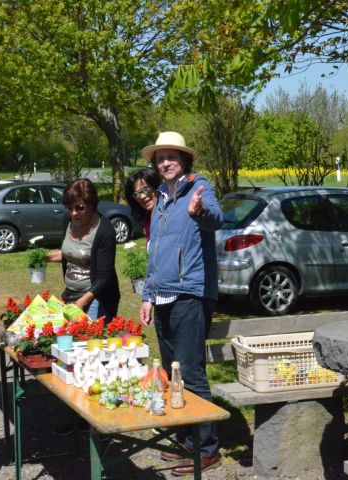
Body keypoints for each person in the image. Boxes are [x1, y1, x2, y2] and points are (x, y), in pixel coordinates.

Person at [139, 131, 223, 475]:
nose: (165, 162)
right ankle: (188, 441)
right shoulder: (161, 197)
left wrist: (200, 211)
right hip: (163, 295)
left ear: (184, 160)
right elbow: (154, 250)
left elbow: (216, 218)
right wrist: (147, 295)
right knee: (174, 373)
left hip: (190, 293)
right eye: (160, 158)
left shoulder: (198, 187)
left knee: (190, 371)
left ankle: (207, 447)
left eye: (171, 156)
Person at [47, 178, 120, 320]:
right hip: (71, 293)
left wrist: (81, 302)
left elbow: (104, 275)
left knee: (90, 339)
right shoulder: (67, 221)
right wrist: (42, 258)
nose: (74, 213)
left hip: (97, 297)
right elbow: (70, 253)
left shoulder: (105, 230)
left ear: (91, 205)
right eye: (69, 208)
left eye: (79, 207)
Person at [124, 167, 161, 241]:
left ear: (156, 187)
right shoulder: (147, 218)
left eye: (145, 190)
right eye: (137, 194)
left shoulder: (171, 214)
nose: (142, 196)